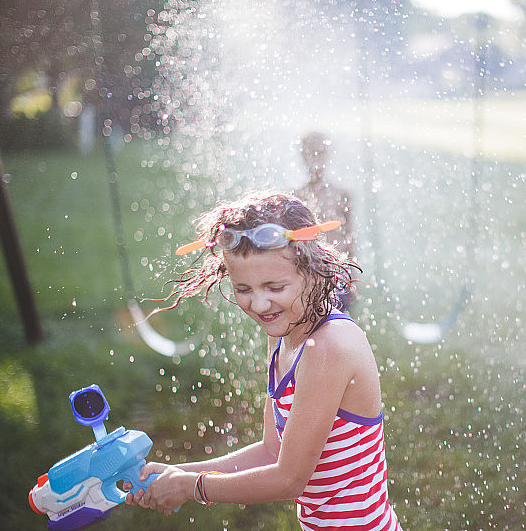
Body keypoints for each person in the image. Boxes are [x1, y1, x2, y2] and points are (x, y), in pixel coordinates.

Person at [125, 191, 401, 531]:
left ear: (313, 270)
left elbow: (289, 479)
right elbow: (272, 453)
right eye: (243, 289)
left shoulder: (328, 346)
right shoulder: (283, 334)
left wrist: (191, 487)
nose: (258, 304)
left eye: (275, 287)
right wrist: (178, 474)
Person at [295, 131, 357, 312]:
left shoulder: (341, 194)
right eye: (310, 152)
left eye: (320, 152)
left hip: (336, 270)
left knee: (336, 319)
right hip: (308, 272)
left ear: (328, 155)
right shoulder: (296, 196)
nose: (315, 158)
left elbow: (349, 236)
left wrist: (351, 276)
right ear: (302, 156)